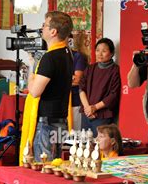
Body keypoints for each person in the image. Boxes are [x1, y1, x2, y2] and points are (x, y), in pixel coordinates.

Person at [28, 11, 74, 161]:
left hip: (47, 123)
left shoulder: (50, 57)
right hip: (60, 119)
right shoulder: (67, 53)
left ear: (53, 31)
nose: (42, 28)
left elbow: (34, 92)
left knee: (43, 166)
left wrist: (31, 67)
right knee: (54, 164)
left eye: (45, 25)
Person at [79, 38, 121, 136]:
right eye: (97, 50)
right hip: (86, 113)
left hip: (102, 116)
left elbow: (113, 95)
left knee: (100, 145)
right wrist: (87, 108)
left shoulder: (115, 70)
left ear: (111, 53)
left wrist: (94, 108)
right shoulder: (90, 68)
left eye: (104, 51)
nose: (99, 54)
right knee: (84, 145)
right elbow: (81, 88)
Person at [69, 34, 87, 132]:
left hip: (74, 101)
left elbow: (77, 80)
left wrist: (56, 80)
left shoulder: (77, 56)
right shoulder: (49, 56)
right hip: (56, 103)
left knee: (73, 135)